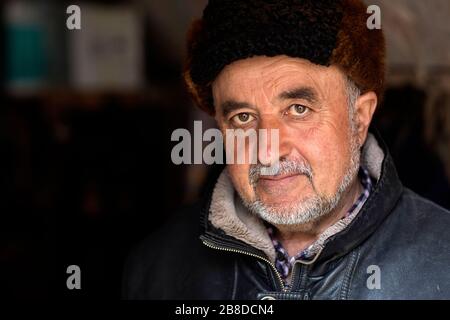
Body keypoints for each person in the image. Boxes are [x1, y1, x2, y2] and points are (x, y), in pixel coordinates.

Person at [123, 0, 450, 299]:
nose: (268, 152)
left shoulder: (441, 260)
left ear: (359, 119)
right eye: (243, 117)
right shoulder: (158, 268)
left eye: (298, 109)